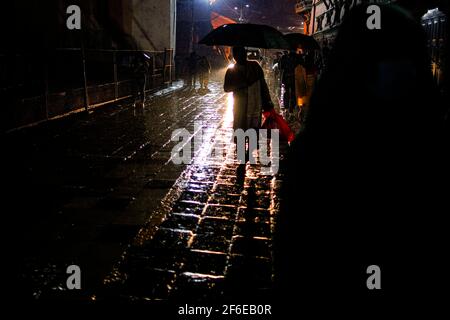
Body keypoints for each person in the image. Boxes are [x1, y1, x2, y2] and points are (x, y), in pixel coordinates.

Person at [275, 3, 448, 312]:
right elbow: (297, 254)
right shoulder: (317, 154)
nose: (398, 66)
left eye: (404, 55)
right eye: (385, 55)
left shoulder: (430, 148)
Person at [224, 46, 274, 177]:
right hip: (240, 108)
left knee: (253, 134)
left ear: (244, 53)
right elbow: (227, 87)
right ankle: (242, 162)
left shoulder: (255, 67)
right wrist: (242, 83)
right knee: (240, 134)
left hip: (255, 107)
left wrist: (268, 102)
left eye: (241, 53)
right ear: (234, 56)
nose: (238, 56)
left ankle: (246, 156)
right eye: (236, 54)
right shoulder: (232, 71)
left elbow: (263, 85)